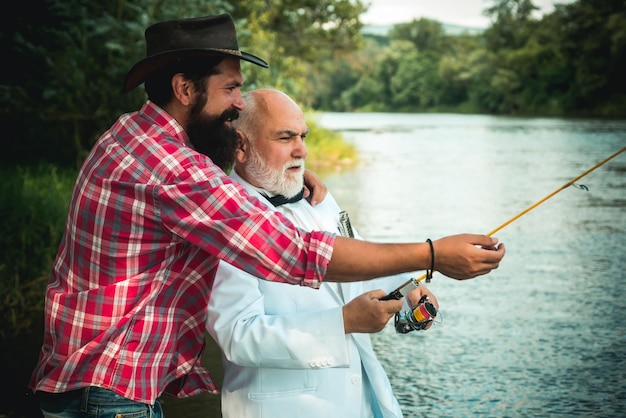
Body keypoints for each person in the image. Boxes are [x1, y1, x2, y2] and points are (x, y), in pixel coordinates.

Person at [29, 13, 505, 417]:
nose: (238, 102)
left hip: (91, 376)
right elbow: (292, 254)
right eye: (231, 87)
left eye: (302, 138)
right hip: (111, 385)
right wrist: (431, 253)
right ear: (185, 89)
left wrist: (291, 179)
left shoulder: (131, 136)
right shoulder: (175, 171)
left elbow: (235, 183)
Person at [207, 88, 439, 417]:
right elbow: (239, 335)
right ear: (241, 145)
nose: (301, 150)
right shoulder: (221, 218)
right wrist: (343, 322)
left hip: (361, 403)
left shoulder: (316, 195)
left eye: (303, 136)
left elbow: (359, 260)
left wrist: (407, 286)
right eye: (285, 138)